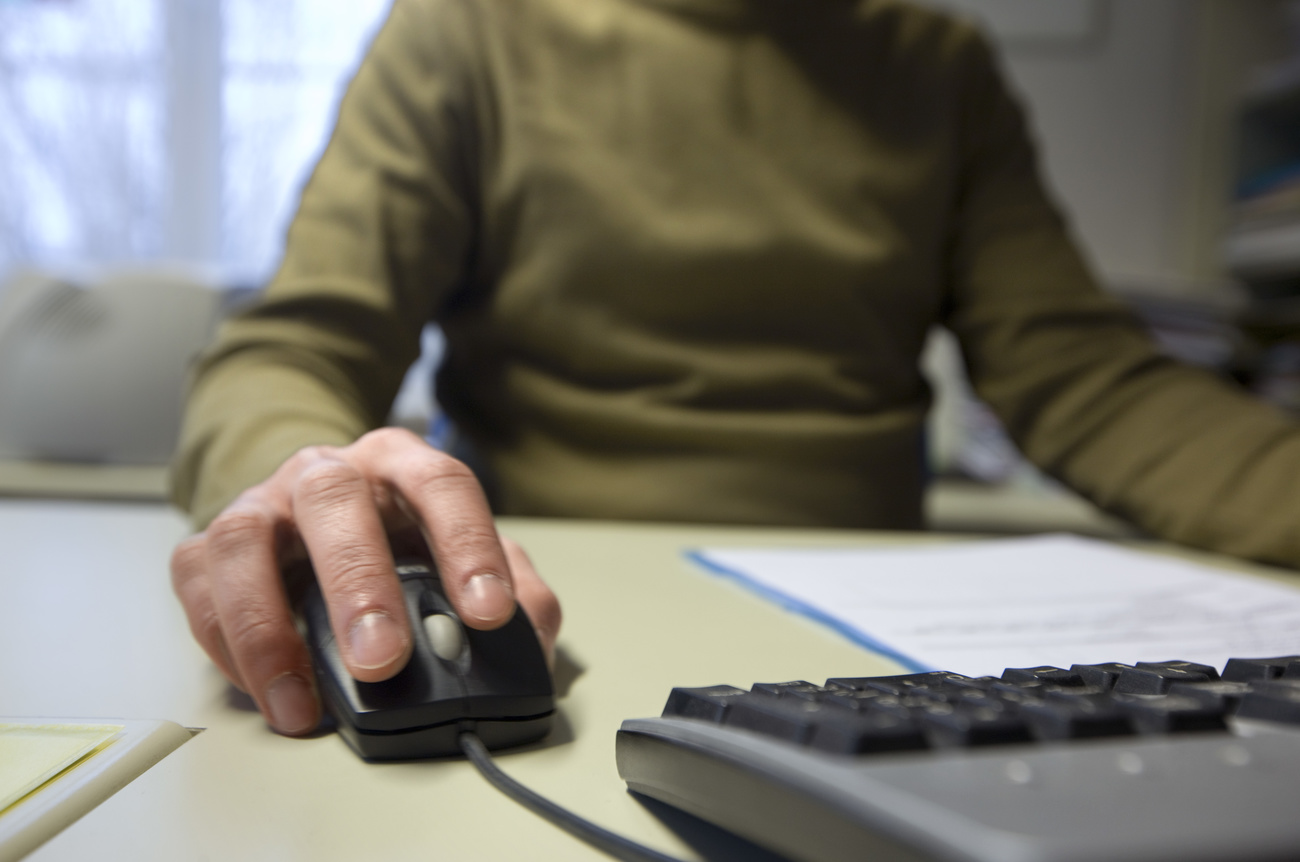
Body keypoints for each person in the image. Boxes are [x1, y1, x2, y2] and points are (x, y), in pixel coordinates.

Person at [169, 0, 1300, 736]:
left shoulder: (933, 63)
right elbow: (300, 343)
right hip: (563, 625)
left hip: (875, 645)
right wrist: (298, 485)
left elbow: (1088, 377)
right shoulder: (467, 33)